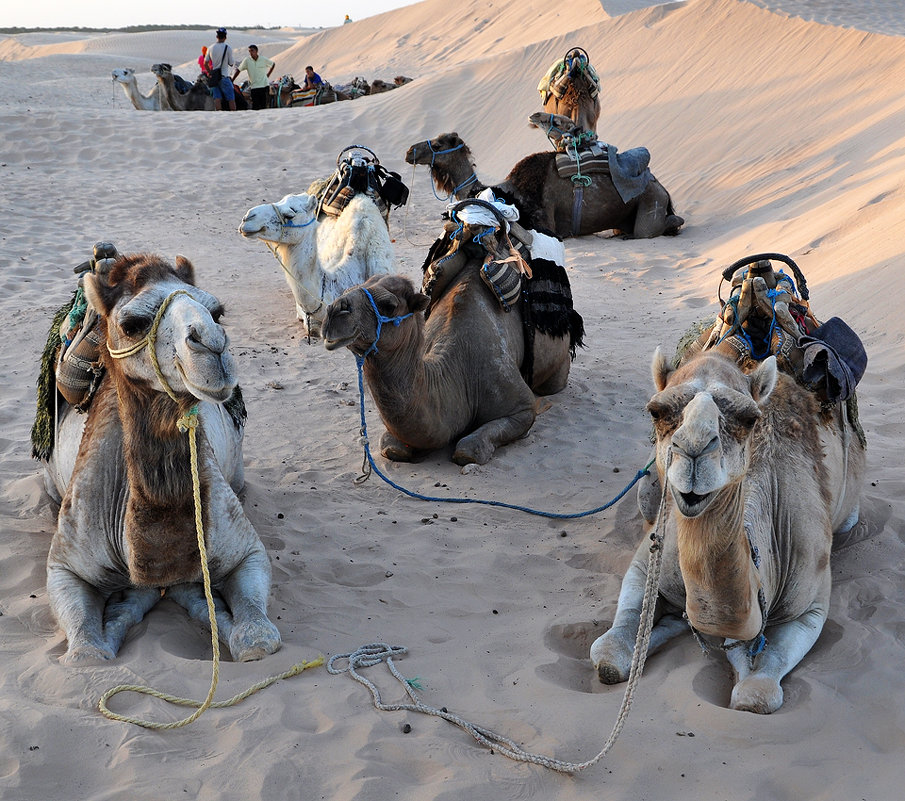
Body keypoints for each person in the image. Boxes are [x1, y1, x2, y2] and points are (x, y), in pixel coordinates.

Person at [232, 45, 275, 110]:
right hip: (254, 86)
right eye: (249, 51)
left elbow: (273, 64)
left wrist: (268, 74)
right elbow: (239, 70)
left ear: (256, 51)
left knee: (264, 106)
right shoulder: (247, 60)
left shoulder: (263, 59)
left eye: (252, 51)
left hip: (264, 85)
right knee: (255, 107)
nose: (250, 53)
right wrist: (232, 79)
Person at [205, 27, 236, 111]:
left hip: (215, 78)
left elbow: (205, 63)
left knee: (217, 99)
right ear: (225, 37)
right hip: (224, 76)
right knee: (231, 98)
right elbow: (231, 63)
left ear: (217, 36)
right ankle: (233, 115)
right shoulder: (227, 48)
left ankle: (219, 115)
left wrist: (210, 73)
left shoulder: (210, 48)